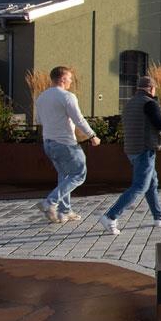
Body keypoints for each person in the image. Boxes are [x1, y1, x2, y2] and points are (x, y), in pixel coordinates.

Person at [100, 75, 161, 235]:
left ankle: (158, 216)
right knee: (140, 186)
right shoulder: (149, 103)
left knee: (152, 182)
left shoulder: (129, 103)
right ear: (151, 88)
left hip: (131, 149)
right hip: (144, 149)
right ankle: (110, 216)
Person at [35, 66, 100, 223]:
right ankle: (50, 202)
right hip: (65, 143)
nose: (71, 81)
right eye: (70, 78)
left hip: (48, 143)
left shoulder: (41, 97)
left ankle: (65, 211)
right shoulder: (67, 96)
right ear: (63, 79)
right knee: (78, 174)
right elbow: (79, 119)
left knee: (64, 176)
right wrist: (92, 135)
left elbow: (39, 121)